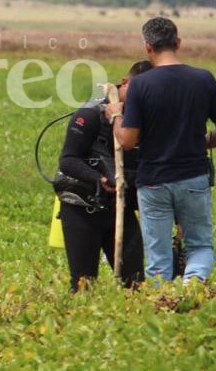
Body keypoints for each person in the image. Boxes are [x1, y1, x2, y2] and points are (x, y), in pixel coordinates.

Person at [106, 17, 216, 284]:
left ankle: (162, 306)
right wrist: (201, 143)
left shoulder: (141, 85)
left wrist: (116, 115)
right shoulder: (204, 79)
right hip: (194, 179)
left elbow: (128, 141)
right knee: (200, 246)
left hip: (153, 181)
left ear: (147, 47)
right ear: (178, 43)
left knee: (158, 255)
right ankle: (192, 288)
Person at [54, 61, 151, 291]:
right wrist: (99, 179)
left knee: (135, 283)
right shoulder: (89, 114)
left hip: (122, 207)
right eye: (138, 91)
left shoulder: (147, 119)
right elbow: (68, 160)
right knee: (83, 284)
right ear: (125, 83)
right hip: (82, 208)